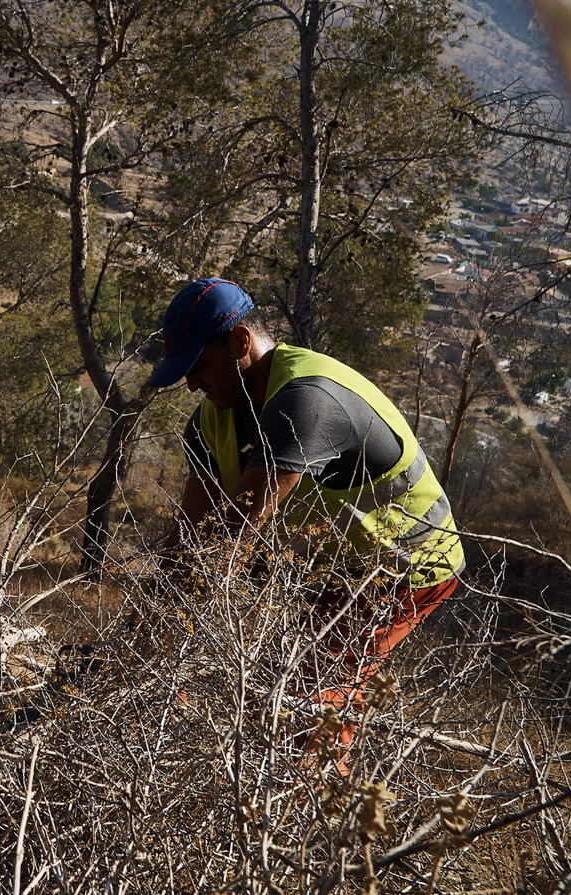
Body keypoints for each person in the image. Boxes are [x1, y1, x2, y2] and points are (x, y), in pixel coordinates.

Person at [148, 278, 466, 757]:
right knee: (272, 689)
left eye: (198, 366)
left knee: (303, 705)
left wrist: (173, 642)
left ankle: (323, 819)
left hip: (409, 567)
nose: (192, 383)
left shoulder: (309, 401)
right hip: (337, 571)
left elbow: (233, 534)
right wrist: (139, 631)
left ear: (240, 342)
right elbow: (190, 540)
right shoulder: (211, 418)